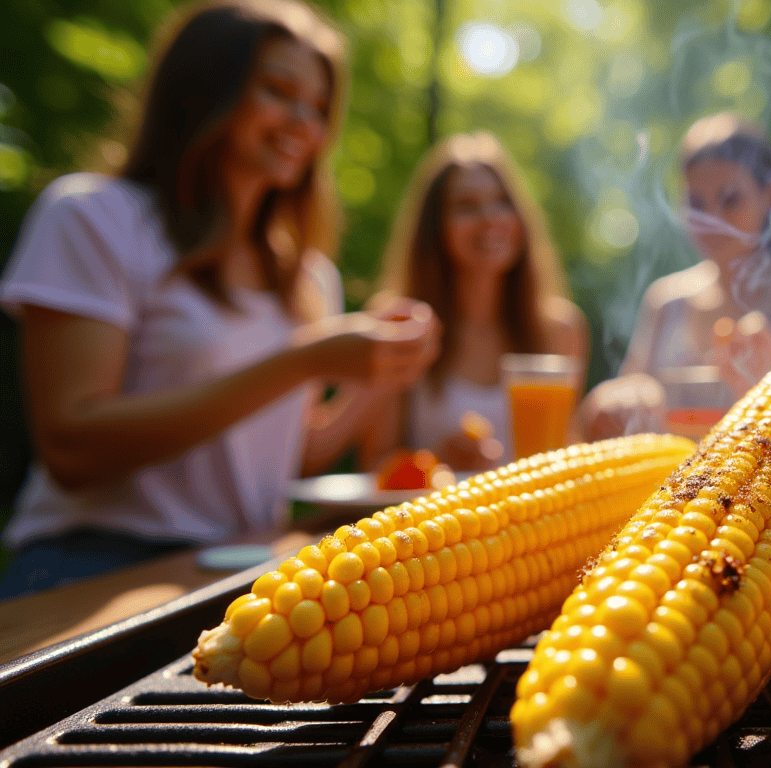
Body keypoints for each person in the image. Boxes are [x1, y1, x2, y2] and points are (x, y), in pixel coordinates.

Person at [0, 0, 439, 597]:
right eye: (279, 91)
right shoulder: (94, 216)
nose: (303, 124)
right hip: (93, 566)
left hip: (239, 570)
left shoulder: (309, 277)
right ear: (206, 90)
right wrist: (306, 359)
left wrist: (379, 372)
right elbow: (71, 449)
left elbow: (298, 457)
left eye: (317, 108)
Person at [580, 113, 771, 440]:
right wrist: (615, 400)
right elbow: (624, 398)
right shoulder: (666, 300)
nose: (713, 220)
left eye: (729, 199)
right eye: (697, 204)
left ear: (769, 195)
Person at [358, 132, 588, 473]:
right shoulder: (400, 326)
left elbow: (569, 454)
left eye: (501, 202)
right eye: (466, 206)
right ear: (434, 228)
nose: (489, 218)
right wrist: (434, 463)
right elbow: (372, 466)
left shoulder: (560, 329)